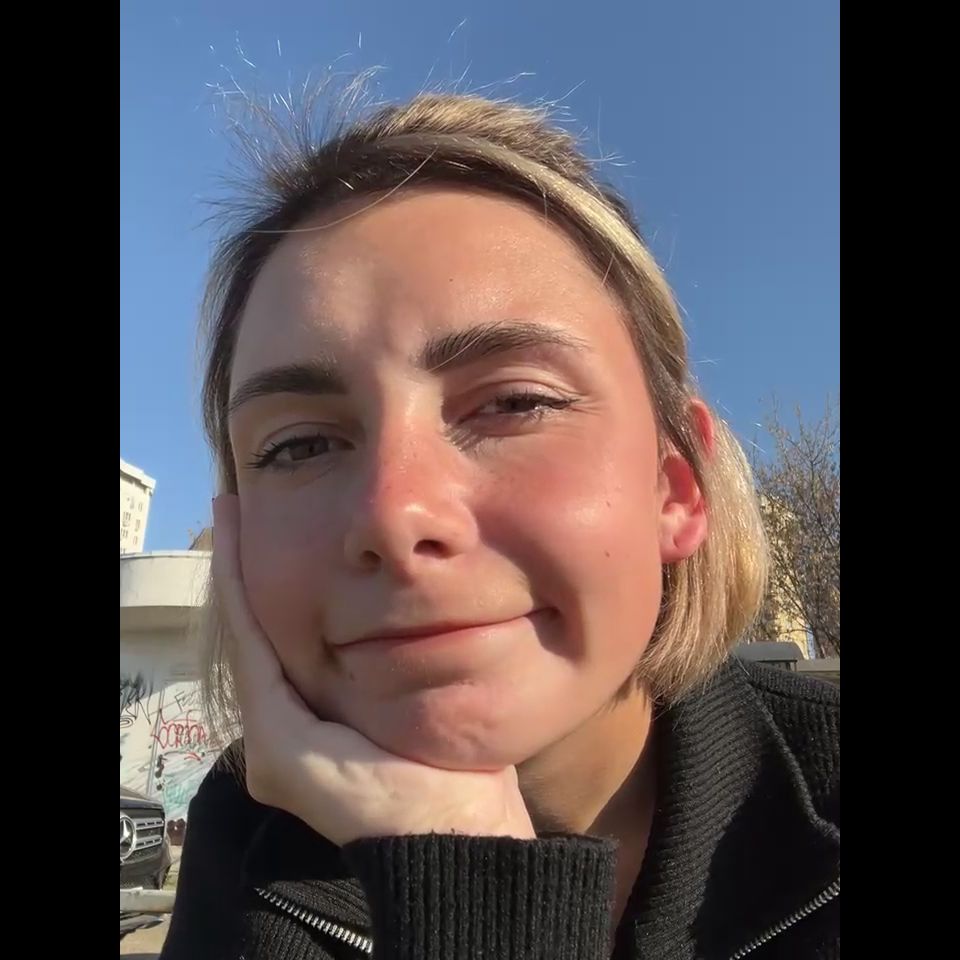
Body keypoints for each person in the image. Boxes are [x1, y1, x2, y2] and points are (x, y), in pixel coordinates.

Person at [161, 91, 839, 960]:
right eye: (299, 446)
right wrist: (468, 873)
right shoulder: (245, 845)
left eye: (516, 402)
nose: (395, 515)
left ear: (677, 489)